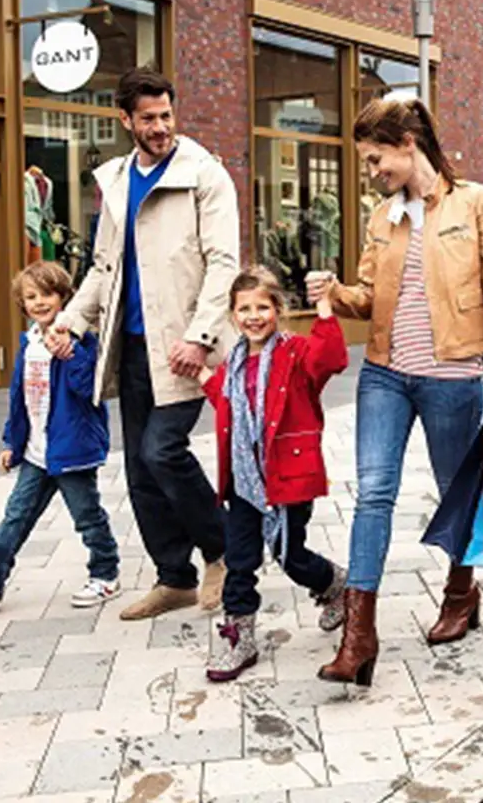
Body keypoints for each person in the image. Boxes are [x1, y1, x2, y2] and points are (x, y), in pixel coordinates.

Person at [309, 98, 483, 687]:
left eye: (376, 159)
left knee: (454, 493)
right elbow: (370, 299)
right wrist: (336, 291)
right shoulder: (381, 217)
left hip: (451, 375)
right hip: (386, 373)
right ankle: (359, 637)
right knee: (374, 493)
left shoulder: (474, 203)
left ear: (408, 142)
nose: (372, 172)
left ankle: (461, 595)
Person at [47, 67, 239, 621]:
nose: (160, 127)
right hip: (129, 347)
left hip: (181, 345)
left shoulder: (205, 175)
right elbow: (103, 267)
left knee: (163, 451)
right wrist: (71, 323)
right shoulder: (115, 181)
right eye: (148, 118)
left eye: (166, 116)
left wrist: (200, 337)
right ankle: (173, 576)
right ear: (126, 120)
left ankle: (223, 550)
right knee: (138, 466)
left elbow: (223, 262)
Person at [199, 266, 349, 682]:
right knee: (240, 558)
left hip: (288, 475)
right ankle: (238, 637)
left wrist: (323, 307)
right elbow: (232, 408)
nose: (253, 316)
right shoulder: (233, 361)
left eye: (262, 307)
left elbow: (332, 358)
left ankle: (334, 583)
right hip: (244, 481)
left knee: (289, 555)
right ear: (232, 315)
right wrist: (202, 376)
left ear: (278, 309)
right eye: (243, 308)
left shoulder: (295, 352)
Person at [0, 261, 120, 618]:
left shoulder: (84, 341)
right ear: (22, 304)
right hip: (36, 453)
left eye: (47, 294)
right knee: (14, 518)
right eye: (31, 296)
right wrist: (12, 442)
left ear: (64, 298)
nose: (39, 302)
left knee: (87, 517)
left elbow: (90, 390)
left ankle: (105, 574)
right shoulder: (28, 345)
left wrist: (70, 353)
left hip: (73, 451)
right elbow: (20, 399)